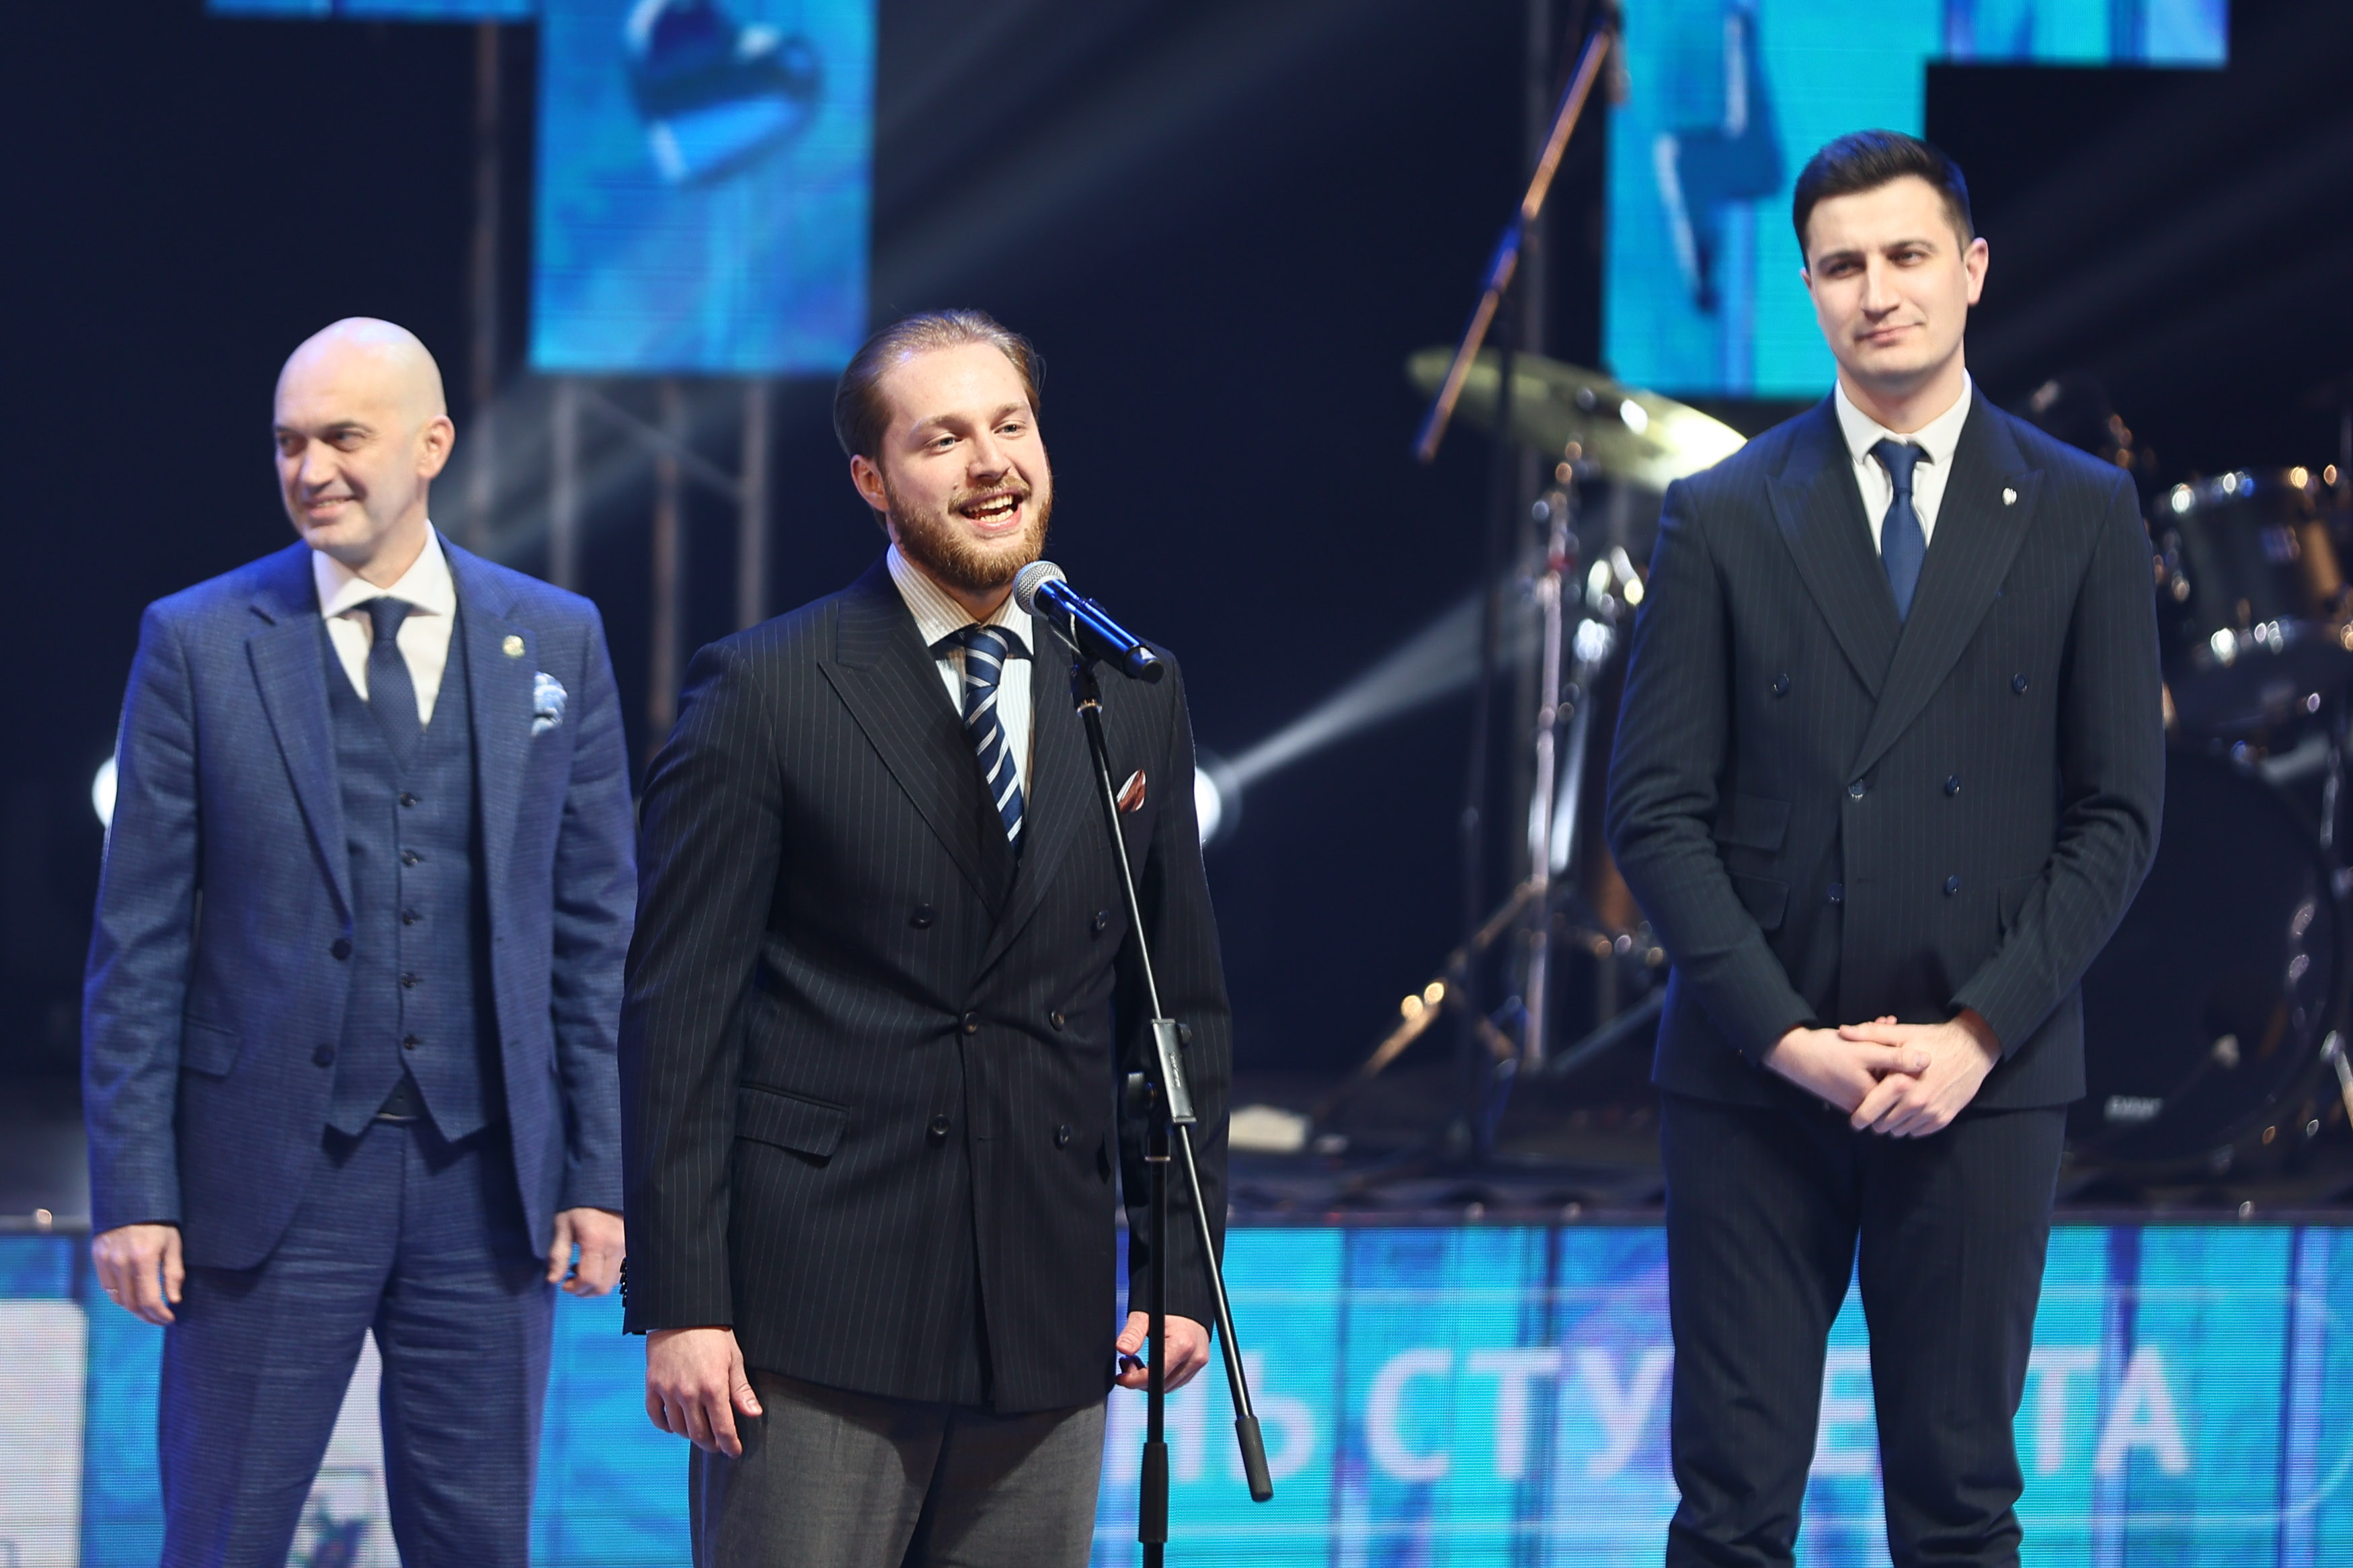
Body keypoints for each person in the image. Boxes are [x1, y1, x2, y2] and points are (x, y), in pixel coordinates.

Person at [1605, 132, 2163, 1566]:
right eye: (1842, 266)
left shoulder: (2082, 511)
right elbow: (1653, 811)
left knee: (1961, 1502)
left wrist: (1977, 1034)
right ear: (1807, 291)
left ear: (1971, 270)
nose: (1878, 291)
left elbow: (2119, 813)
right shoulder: (1723, 511)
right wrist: (1787, 1039)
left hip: (1984, 1077)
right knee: (1729, 1509)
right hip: (1754, 1077)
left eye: (1907, 255)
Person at [619, 308, 1232, 1568]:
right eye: (943, 439)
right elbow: (679, 1016)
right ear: (871, 479)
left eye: (1012, 427)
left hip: (1045, 1312)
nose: (991, 463)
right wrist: (684, 1303)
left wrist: (1178, 1266)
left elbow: (1175, 1006)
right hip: (818, 1311)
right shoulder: (767, 685)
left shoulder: (1130, 686)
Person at [83, 319, 637, 1567]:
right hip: (263, 1180)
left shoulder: (555, 637)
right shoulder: (198, 641)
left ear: (432, 445)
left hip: (486, 1183)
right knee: (221, 1539)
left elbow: (594, 929)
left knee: (478, 1544)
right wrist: (137, 1191)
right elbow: (139, 941)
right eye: (289, 442)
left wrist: (598, 1170)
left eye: (343, 437)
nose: (310, 468)